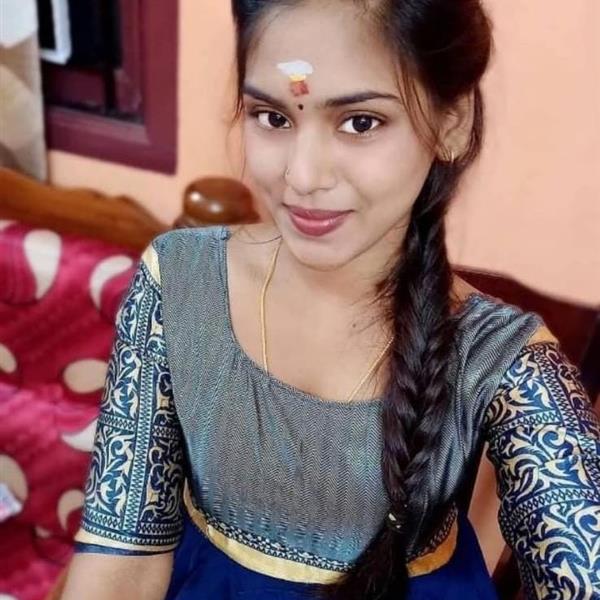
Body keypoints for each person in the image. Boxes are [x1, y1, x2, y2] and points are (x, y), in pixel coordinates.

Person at [61, 0, 600, 598]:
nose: (302, 175)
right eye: (272, 116)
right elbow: (123, 557)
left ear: (452, 122)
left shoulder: (505, 362)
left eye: (361, 123)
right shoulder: (180, 283)